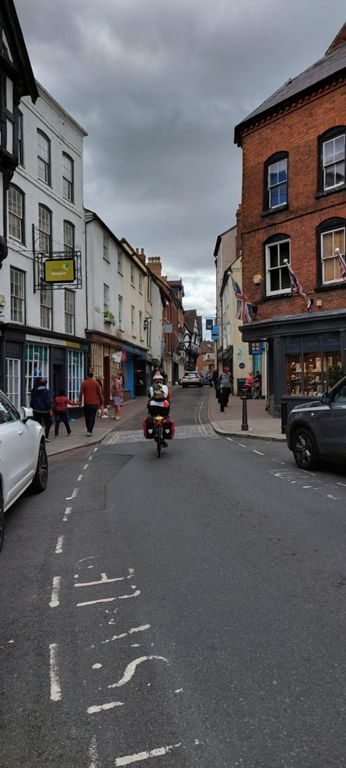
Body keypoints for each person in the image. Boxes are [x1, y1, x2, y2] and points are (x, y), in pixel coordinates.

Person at [146, 370, 172, 446]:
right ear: (162, 381)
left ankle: (154, 432)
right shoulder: (166, 387)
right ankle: (164, 433)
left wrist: (148, 405)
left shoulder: (151, 388)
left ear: (154, 381)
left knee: (152, 416)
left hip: (153, 407)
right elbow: (169, 398)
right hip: (164, 408)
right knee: (166, 417)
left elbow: (148, 399)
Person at [79, 371, 103, 436]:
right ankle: (90, 430)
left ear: (87, 376)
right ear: (92, 376)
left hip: (87, 403)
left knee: (87, 417)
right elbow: (100, 393)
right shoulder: (96, 383)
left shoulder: (84, 383)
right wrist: (101, 401)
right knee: (92, 417)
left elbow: (81, 394)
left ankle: (88, 430)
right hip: (94, 403)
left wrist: (80, 402)